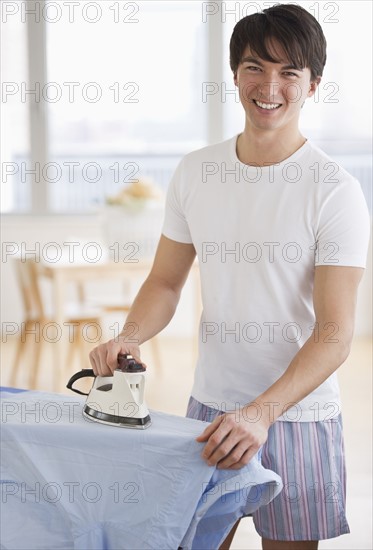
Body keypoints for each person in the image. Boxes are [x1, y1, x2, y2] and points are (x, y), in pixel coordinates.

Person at [89, 4, 370, 549]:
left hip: (297, 415)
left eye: (289, 72)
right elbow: (166, 282)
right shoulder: (196, 171)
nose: (269, 86)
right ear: (234, 75)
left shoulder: (335, 191)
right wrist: (129, 336)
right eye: (254, 67)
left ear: (313, 85)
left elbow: (335, 334)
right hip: (211, 405)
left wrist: (261, 414)